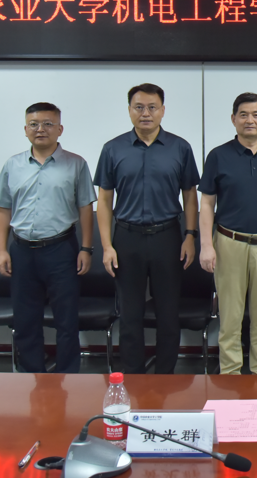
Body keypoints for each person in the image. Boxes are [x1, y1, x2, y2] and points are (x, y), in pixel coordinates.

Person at [94, 84, 200, 374]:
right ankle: (133, 376)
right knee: (130, 314)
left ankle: (165, 376)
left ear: (162, 111)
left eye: (152, 107)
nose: (145, 113)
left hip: (168, 237)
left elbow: (190, 196)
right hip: (126, 238)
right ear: (129, 110)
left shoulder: (180, 148)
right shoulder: (113, 148)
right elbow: (104, 201)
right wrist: (107, 245)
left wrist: (190, 236)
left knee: (168, 312)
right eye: (139, 107)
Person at [0, 102, 96, 373]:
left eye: (48, 124)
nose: (41, 129)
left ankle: (67, 376)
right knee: (25, 319)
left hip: (61, 249)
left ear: (60, 129)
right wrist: (2, 250)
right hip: (22, 250)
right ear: (25, 129)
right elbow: (4, 209)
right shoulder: (12, 165)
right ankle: (31, 375)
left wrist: (86, 248)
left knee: (66, 319)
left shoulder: (76, 164)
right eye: (34, 124)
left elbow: (86, 208)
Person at [199, 93, 257, 375]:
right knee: (230, 317)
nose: (249, 120)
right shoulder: (218, 156)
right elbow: (207, 203)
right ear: (233, 119)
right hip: (229, 243)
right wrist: (206, 245)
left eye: (256, 114)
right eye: (243, 114)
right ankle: (230, 374)